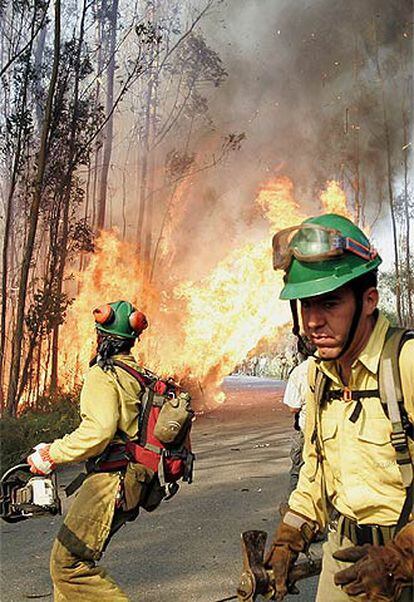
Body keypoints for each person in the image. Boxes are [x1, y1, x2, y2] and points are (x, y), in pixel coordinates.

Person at [266, 214, 414, 601]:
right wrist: (289, 536)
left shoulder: (406, 364)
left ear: (368, 300)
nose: (313, 321)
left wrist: (400, 558)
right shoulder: (319, 376)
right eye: (305, 305)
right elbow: (314, 473)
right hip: (343, 558)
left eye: (329, 303)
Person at [27, 300, 170, 601]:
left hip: (111, 480)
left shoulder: (104, 374)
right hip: (134, 479)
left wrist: (52, 454)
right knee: (69, 566)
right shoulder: (137, 374)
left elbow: (99, 431)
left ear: (100, 336)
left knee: (68, 565)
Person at [282, 356, 310, 496]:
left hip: (307, 430)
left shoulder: (300, 371)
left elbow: (293, 407)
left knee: (298, 470)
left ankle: (293, 509)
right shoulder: (339, 366)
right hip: (335, 431)